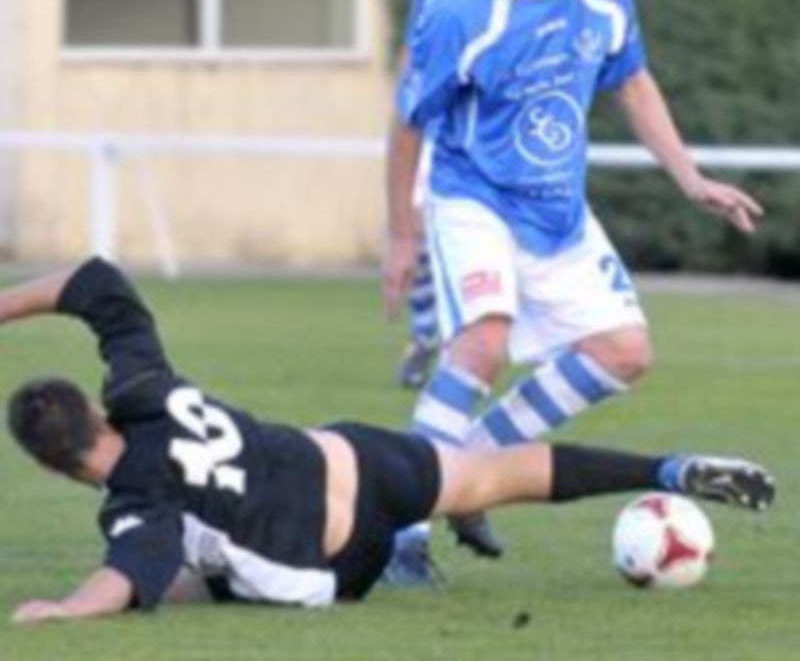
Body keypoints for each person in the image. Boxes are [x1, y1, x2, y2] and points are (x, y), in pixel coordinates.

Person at [383, 0, 764, 579]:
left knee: (626, 351)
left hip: (557, 208)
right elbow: (406, 123)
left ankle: (474, 473)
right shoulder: (464, 9)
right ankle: (403, 532)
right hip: (475, 197)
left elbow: (634, 81)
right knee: (484, 342)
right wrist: (402, 233)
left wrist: (689, 175)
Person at [2, 257, 774, 624]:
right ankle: (666, 467)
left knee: (162, 579)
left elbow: (122, 575)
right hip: (354, 454)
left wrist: (65, 610)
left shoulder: (138, 499)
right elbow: (96, 283)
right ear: (95, 410)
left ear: (50, 462)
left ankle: (376, 555)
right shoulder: (142, 386)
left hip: (337, 558)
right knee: (493, 473)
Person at [396, 0, 515, 391]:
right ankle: (431, 335)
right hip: (439, 124)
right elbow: (414, 54)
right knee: (421, 230)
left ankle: (464, 338)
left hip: (493, 134)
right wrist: (403, 111)